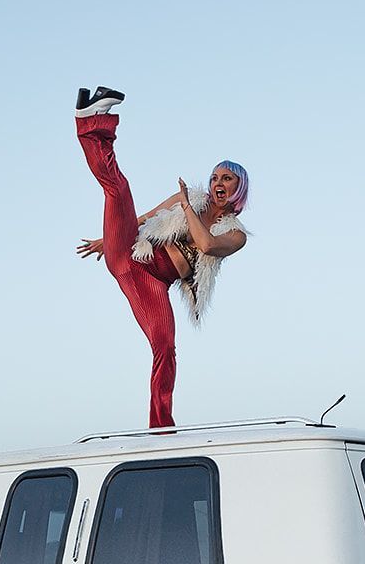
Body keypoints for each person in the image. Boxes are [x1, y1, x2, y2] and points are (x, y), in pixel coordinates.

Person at [74, 86, 249, 428]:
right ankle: (93, 122)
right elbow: (144, 218)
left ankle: (161, 428)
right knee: (119, 189)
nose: (217, 182)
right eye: (214, 176)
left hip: (153, 282)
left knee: (165, 347)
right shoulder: (190, 197)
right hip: (130, 253)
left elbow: (207, 245)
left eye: (226, 178)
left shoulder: (235, 234)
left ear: (237, 188)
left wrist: (186, 204)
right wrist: (106, 239)